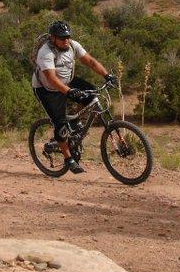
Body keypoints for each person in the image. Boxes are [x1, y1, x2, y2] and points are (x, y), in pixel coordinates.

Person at [32, 20, 117, 174]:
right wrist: (69, 92)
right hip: (47, 89)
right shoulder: (45, 53)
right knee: (61, 124)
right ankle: (68, 158)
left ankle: (77, 122)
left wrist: (107, 75)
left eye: (68, 36)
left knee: (92, 94)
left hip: (67, 81)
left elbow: (90, 61)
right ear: (52, 38)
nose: (66, 40)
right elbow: (51, 79)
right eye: (62, 37)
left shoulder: (72, 45)